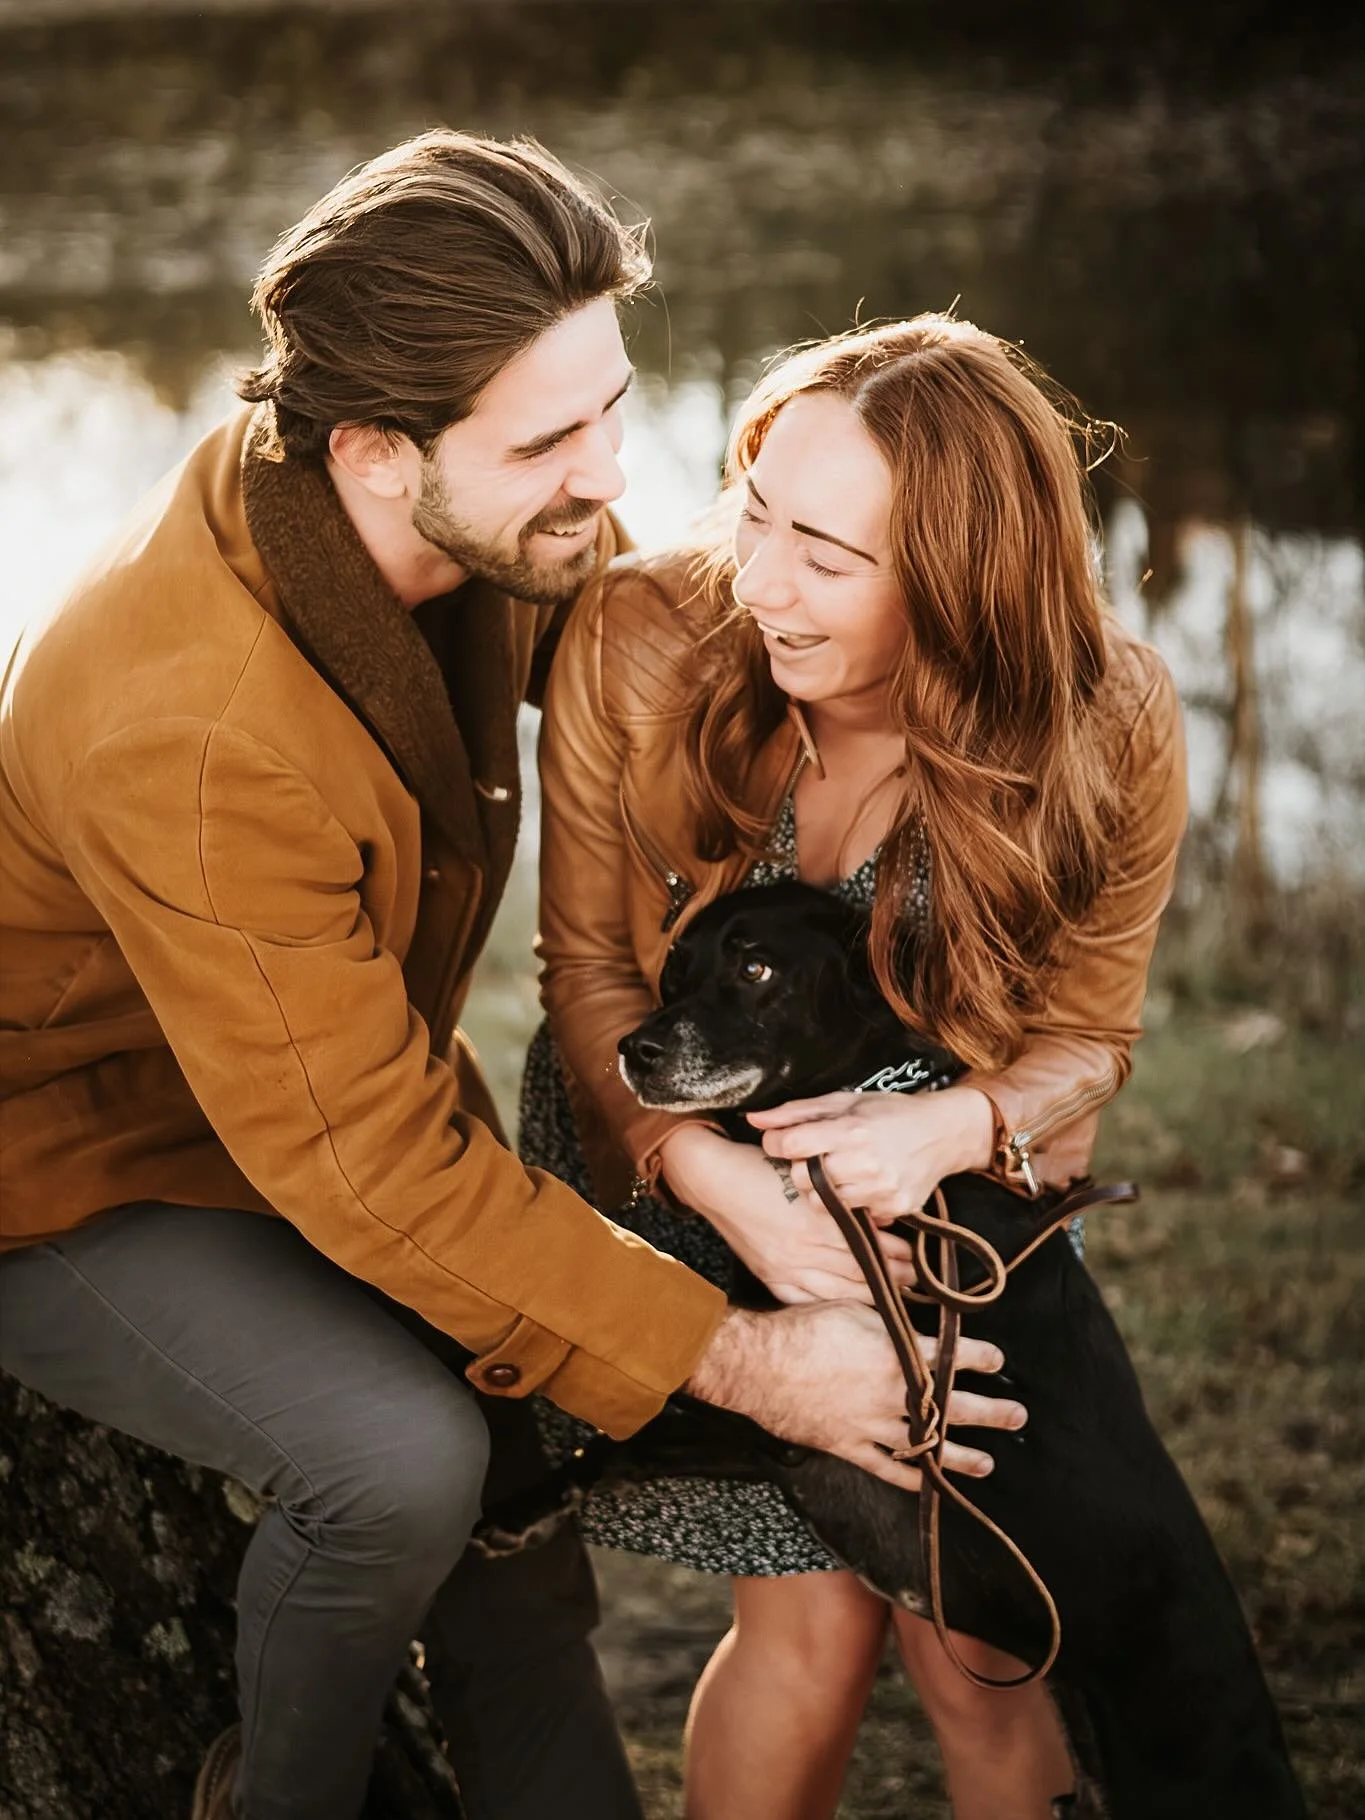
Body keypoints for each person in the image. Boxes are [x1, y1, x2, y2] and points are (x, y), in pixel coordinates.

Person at [0, 139, 1023, 1820]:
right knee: (399, 1465)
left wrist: (978, 647)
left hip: (308, 1087)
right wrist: (763, 1362)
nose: (608, 474)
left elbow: (672, 650)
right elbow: (373, 1171)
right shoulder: (193, 732)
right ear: (379, 455)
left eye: (615, 407)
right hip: (82, 1173)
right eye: (552, 440)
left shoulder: (444, 522)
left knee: (518, 1474)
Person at [526, 313, 1189, 1820]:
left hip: (938, 1196)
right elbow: (590, 978)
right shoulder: (640, 637)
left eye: (826, 558)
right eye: (755, 513)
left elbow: (1090, 1040)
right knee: (812, 1624)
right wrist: (716, 1182)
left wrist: (963, 1123)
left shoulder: (1111, 721)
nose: (758, 582)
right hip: (658, 1138)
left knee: (980, 1639)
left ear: (959, 590)